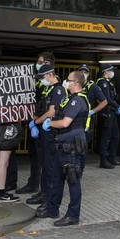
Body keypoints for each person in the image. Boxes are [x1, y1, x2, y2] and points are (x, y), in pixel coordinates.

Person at [40, 71, 90, 226]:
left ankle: (73, 215)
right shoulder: (69, 99)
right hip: (62, 145)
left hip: (73, 147)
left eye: (68, 80)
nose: (65, 82)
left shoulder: (78, 101)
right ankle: (52, 208)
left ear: (75, 82)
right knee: (57, 178)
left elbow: (65, 123)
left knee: (73, 180)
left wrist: (49, 124)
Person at [27, 64, 66, 207]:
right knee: (44, 163)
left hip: (50, 133)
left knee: (50, 166)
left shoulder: (58, 90)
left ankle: (49, 198)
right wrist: (33, 120)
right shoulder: (47, 89)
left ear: (50, 74)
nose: (42, 80)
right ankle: (43, 193)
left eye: (42, 77)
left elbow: (51, 112)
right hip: (41, 132)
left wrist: (36, 122)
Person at [17, 51, 55, 195]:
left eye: (41, 62)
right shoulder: (36, 81)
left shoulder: (52, 86)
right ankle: (33, 183)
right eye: (38, 62)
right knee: (34, 155)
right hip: (35, 122)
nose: (38, 65)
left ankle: (44, 189)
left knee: (45, 159)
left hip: (44, 125)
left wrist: (36, 121)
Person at [96, 64, 120, 168]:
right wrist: (117, 106)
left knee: (115, 135)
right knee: (106, 137)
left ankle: (111, 157)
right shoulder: (102, 83)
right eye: (111, 70)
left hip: (111, 112)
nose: (112, 72)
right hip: (106, 112)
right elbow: (107, 98)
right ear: (105, 71)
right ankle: (103, 160)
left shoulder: (108, 83)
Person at [77, 64, 108, 145]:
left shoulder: (93, 86)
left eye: (85, 72)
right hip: (73, 116)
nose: (83, 73)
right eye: (81, 71)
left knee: (83, 142)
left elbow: (104, 101)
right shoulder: (73, 84)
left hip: (87, 119)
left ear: (88, 74)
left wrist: (92, 111)